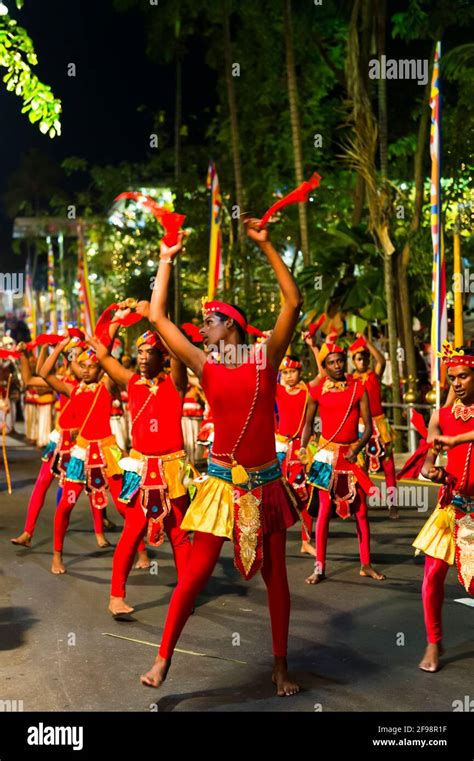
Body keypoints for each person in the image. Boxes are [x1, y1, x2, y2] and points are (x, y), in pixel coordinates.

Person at [141, 218, 303, 696]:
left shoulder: (266, 357)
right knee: (193, 575)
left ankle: (279, 666)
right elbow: (156, 318)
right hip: (218, 486)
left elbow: (293, 302)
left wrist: (267, 244)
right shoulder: (202, 363)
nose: (202, 328)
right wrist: (166, 258)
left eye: (209, 321)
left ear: (229, 323)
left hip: (266, 484)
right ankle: (163, 658)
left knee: (277, 580)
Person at [86, 318, 194, 617]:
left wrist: (163, 327)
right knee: (132, 532)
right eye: (140, 351)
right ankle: (116, 596)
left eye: (150, 352)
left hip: (172, 470)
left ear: (164, 357)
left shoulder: (176, 383)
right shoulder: (131, 382)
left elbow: (182, 356)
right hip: (141, 469)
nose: (143, 357)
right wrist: (115, 325)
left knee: (179, 535)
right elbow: (104, 357)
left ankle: (185, 594)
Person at [39, 336, 134, 574]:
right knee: (65, 506)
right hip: (80, 455)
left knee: (124, 506)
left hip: (107, 453)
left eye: (92, 366)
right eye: (82, 366)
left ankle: (140, 551)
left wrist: (99, 347)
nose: (86, 370)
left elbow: (112, 364)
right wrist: (60, 347)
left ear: (101, 368)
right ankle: (57, 555)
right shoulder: (72, 389)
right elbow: (44, 372)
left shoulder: (107, 386)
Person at [300, 342, 386, 585]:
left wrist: (357, 449)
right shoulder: (316, 392)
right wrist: (303, 448)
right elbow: (307, 425)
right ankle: (319, 567)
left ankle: (366, 564)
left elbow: (369, 427)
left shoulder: (359, 389)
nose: (337, 366)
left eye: (340, 360)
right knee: (324, 511)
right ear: (324, 366)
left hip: (352, 456)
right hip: (326, 455)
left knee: (361, 512)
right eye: (332, 362)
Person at [412, 343, 474, 672]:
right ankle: (434, 642)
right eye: (452, 378)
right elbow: (428, 461)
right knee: (432, 577)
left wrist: (457, 440)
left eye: (463, 376)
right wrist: (431, 471)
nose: (458, 383)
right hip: (451, 508)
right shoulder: (442, 415)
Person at [10, 337, 82, 548]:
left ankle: (139, 550)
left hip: (85, 445)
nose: (77, 361)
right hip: (60, 440)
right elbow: (30, 379)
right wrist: (25, 355)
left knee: (102, 490)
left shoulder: (93, 385)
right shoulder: (63, 382)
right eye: (73, 357)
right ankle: (27, 532)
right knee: (41, 483)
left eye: (80, 356)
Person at [350, 335, 398, 519]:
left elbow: (381, 360)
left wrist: (366, 342)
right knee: (361, 467)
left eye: (365, 358)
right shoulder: (350, 380)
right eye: (358, 358)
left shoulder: (374, 375)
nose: (362, 361)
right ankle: (362, 505)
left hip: (380, 425)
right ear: (353, 361)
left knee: (389, 466)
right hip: (361, 428)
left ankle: (392, 504)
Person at [276, 355, 314, 555]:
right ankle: (273, 542)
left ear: (300, 372)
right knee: (276, 496)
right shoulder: (279, 391)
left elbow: (323, 375)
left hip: (301, 451)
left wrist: (313, 348)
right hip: (280, 451)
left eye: (293, 372)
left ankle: (306, 540)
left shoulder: (309, 392)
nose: (289, 376)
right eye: (285, 372)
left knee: (303, 495)